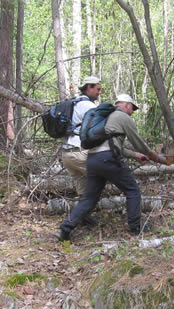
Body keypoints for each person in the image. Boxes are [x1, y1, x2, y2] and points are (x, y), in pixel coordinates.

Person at [55, 94, 167, 242]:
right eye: (132, 108)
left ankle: (65, 229)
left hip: (93, 160)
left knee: (89, 199)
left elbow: (113, 145)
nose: (132, 112)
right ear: (126, 105)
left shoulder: (105, 118)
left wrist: (135, 155)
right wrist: (158, 158)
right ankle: (135, 226)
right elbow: (139, 143)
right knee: (132, 190)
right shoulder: (123, 117)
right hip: (109, 159)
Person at [62, 76, 102, 198]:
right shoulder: (88, 106)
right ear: (89, 87)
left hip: (66, 154)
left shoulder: (73, 102)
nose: (99, 92)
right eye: (98, 89)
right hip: (80, 153)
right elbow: (98, 130)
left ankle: (81, 216)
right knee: (103, 178)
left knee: (83, 194)